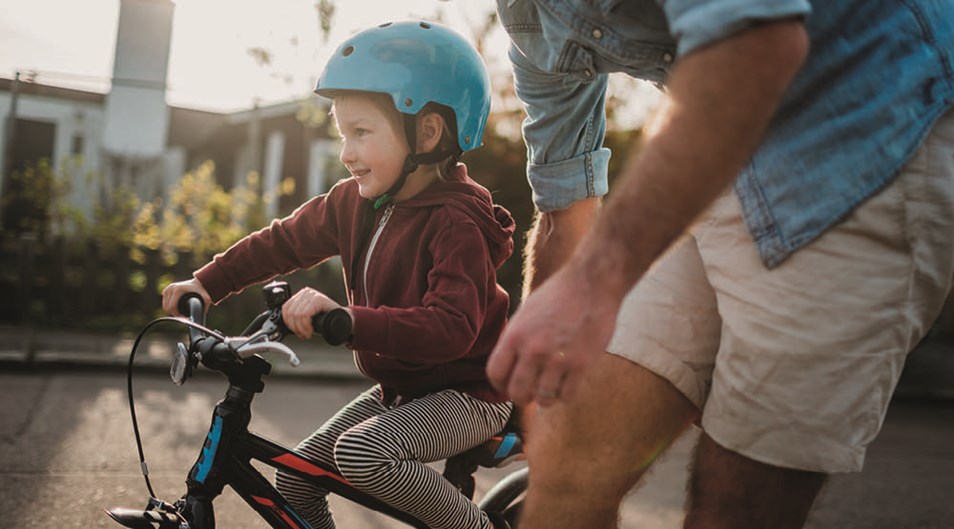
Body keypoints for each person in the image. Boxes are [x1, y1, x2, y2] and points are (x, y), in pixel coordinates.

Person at [486, 1, 954, 528]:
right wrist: (535, 374)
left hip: (869, 130)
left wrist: (598, 279)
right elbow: (564, 200)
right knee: (567, 450)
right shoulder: (527, 16)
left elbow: (758, 47)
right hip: (717, 139)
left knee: (734, 509)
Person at [162, 21, 516, 529]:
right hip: (403, 388)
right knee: (297, 475)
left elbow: (450, 327)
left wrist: (350, 318)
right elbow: (283, 241)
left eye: (362, 133)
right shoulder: (354, 203)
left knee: (362, 453)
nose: (346, 152)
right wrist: (208, 282)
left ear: (429, 133)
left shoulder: (457, 224)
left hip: (472, 394)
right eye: (342, 134)